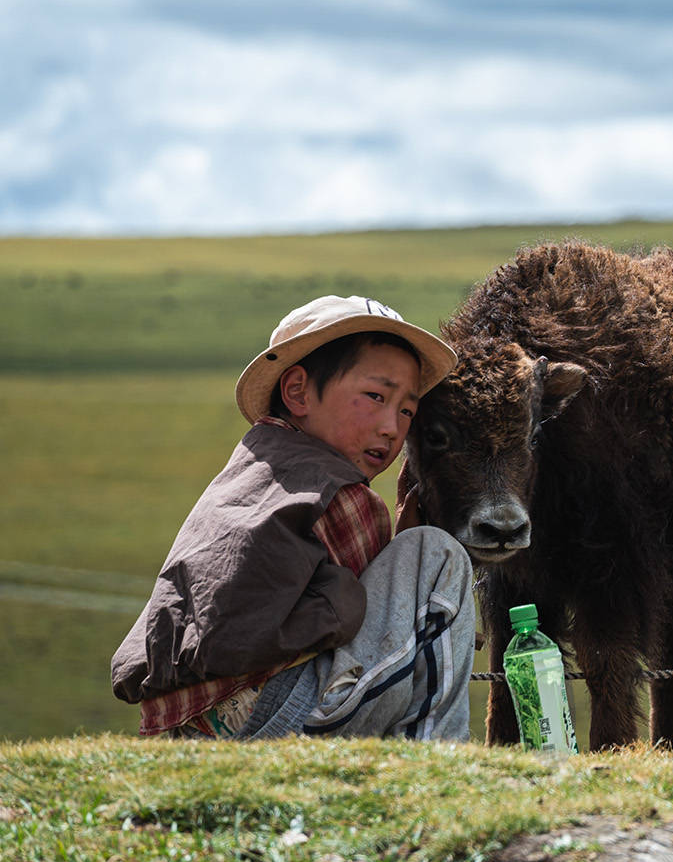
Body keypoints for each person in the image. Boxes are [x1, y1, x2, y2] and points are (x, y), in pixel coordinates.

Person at [111, 295, 476, 741]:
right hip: (280, 714)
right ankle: (439, 756)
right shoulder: (336, 491)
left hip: (187, 732)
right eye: (375, 396)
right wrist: (408, 539)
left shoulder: (247, 473)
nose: (391, 427)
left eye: (407, 410)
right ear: (298, 391)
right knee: (435, 555)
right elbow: (381, 621)